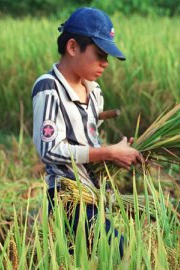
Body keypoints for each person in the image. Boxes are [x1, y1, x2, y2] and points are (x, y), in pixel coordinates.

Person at [31, 7, 142, 256]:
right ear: (72, 47)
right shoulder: (49, 88)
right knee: (121, 253)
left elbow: (87, 142)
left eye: (107, 57)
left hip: (93, 196)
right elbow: (51, 151)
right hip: (68, 198)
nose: (105, 63)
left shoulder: (95, 93)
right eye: (99, 54)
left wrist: (115, 151)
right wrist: (107, 152)